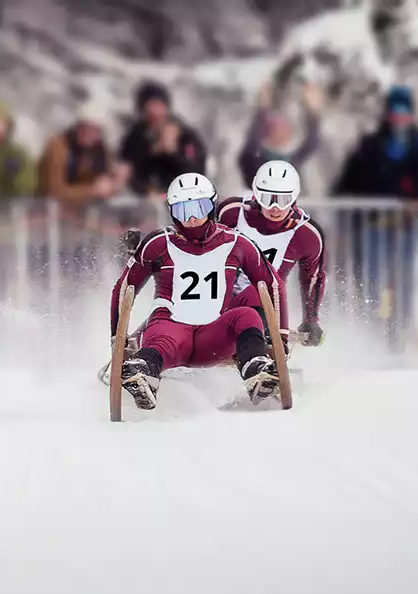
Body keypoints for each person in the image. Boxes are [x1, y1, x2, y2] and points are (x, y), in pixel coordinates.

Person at [110, 172, 289, 410]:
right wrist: (117, 336)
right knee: (160, 328)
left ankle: (255, 367)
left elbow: (273, 285)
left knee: (247, 315)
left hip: (213, 336)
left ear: (211, 207)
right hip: (171, 332)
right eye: (183, 211)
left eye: (199, 208)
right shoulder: (158, 243)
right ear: (172, 212)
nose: (193, 218)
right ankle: (143, 371)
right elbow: (124, 287)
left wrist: (281, 335)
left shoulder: (236, 242)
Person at [219, 160, 325, 347]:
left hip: (265, 302)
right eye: (267, 199)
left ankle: (259, 347)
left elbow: (312, 278)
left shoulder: (307, 234)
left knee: (258, 302)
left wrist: (311, 321)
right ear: (256, 194)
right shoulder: (231, 212)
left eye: (283, 200)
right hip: (220, 293)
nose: (275, 208)